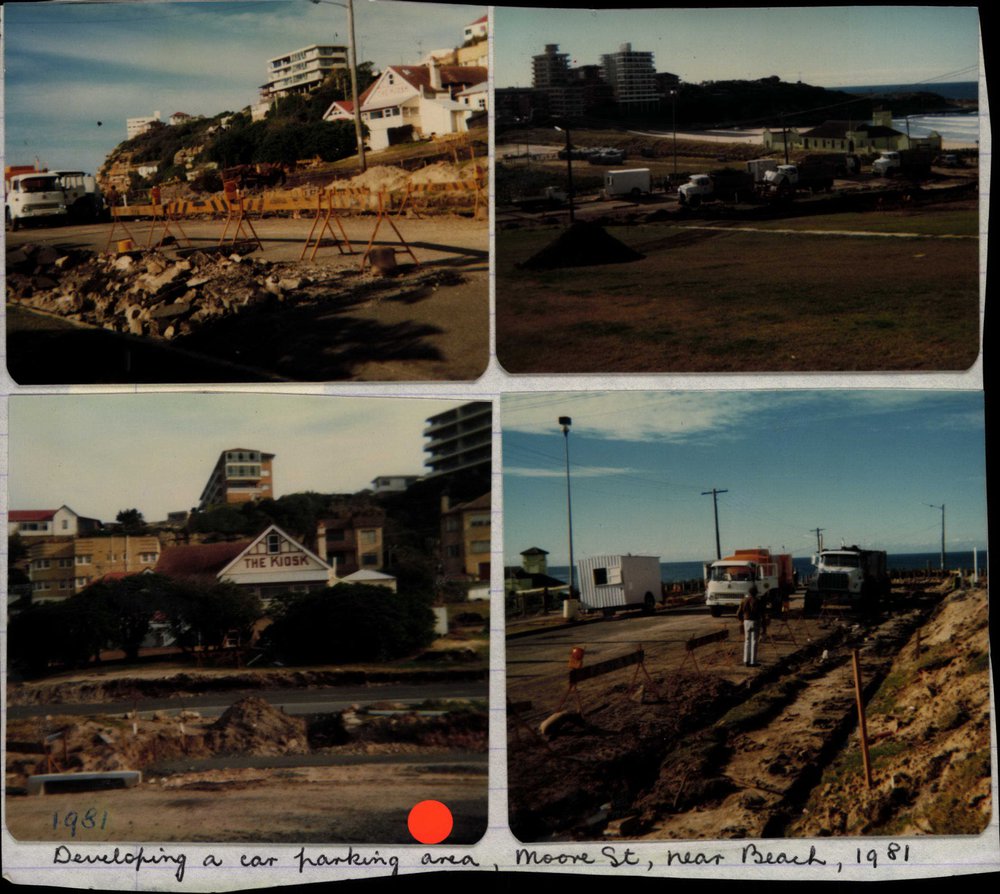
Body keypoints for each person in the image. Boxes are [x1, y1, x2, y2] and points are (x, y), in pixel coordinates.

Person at [736, 585, 763, 667]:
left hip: (746, 621)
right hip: (755, 621)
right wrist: (764, 627)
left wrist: (741, 621)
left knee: (747, 641)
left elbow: (738, 613)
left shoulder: (744, 601)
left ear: (749, 593)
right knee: (754, 641)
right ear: (756, 593)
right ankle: (753, 661)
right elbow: (762, 614)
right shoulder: (758, 601)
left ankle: (745, 660)